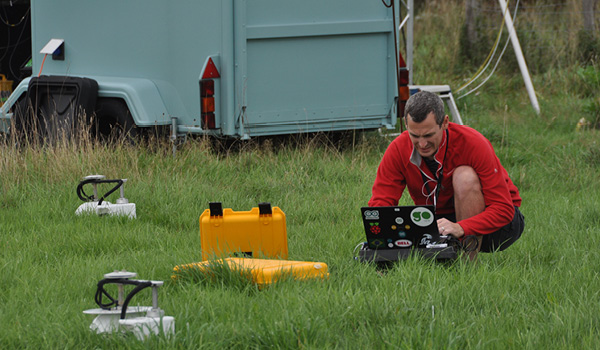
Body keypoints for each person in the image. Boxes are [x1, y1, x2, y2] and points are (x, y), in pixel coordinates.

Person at [368, 91, 524, 256]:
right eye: (415, 136)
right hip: (440, 221)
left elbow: (504, 209)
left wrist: (461, 227)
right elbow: (380, 205)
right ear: (406, 125)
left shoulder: (473, 143)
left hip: (500, 225)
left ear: (445, 123)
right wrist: (383, 241)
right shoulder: (398, 148)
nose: (422, 144)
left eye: (429, 135)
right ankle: (446, 258)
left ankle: (467, 268)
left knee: (464, 177)